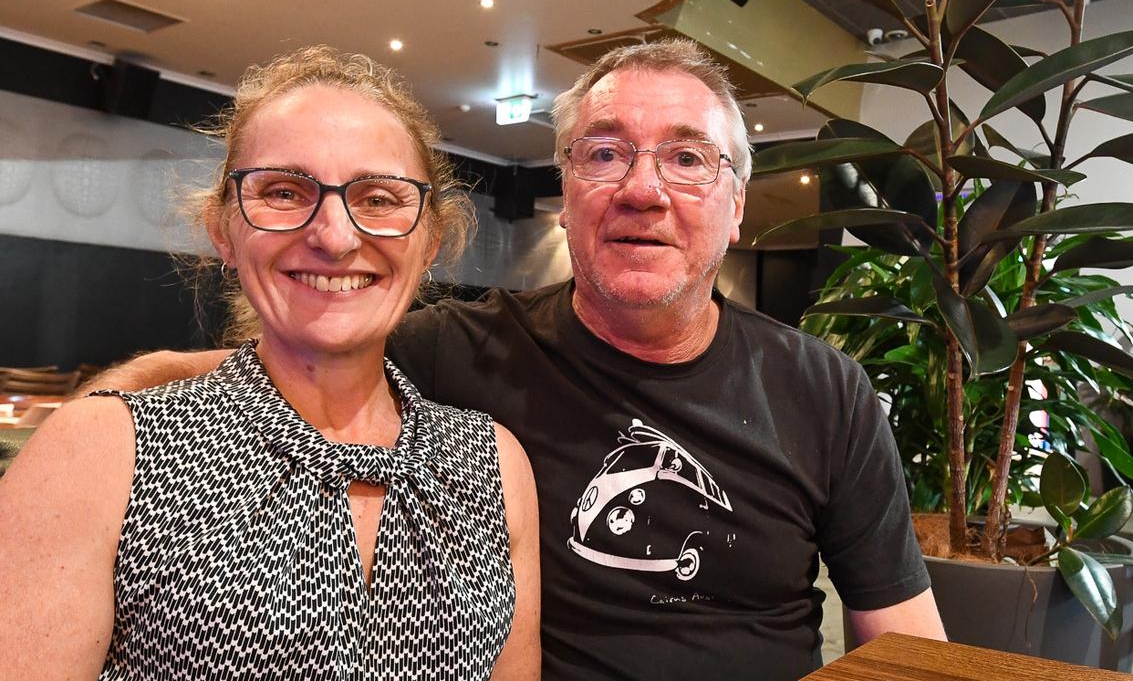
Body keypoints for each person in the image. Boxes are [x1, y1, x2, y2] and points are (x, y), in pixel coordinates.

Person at [80, 39, 944, 680]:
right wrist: (93, 432)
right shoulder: (449, 352)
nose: (641, 189)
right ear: (566, 193)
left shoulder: (824, 388)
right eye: (604, 153)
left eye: (686, 159)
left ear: (735, 206)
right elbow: (249, 378)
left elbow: (903, 644)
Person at [0, 47, 539, 680]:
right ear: (223, 231)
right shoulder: (100, 452)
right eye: (284, 191)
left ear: (431, 242)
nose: (335, 237)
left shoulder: (492, 464)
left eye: (379, 198)